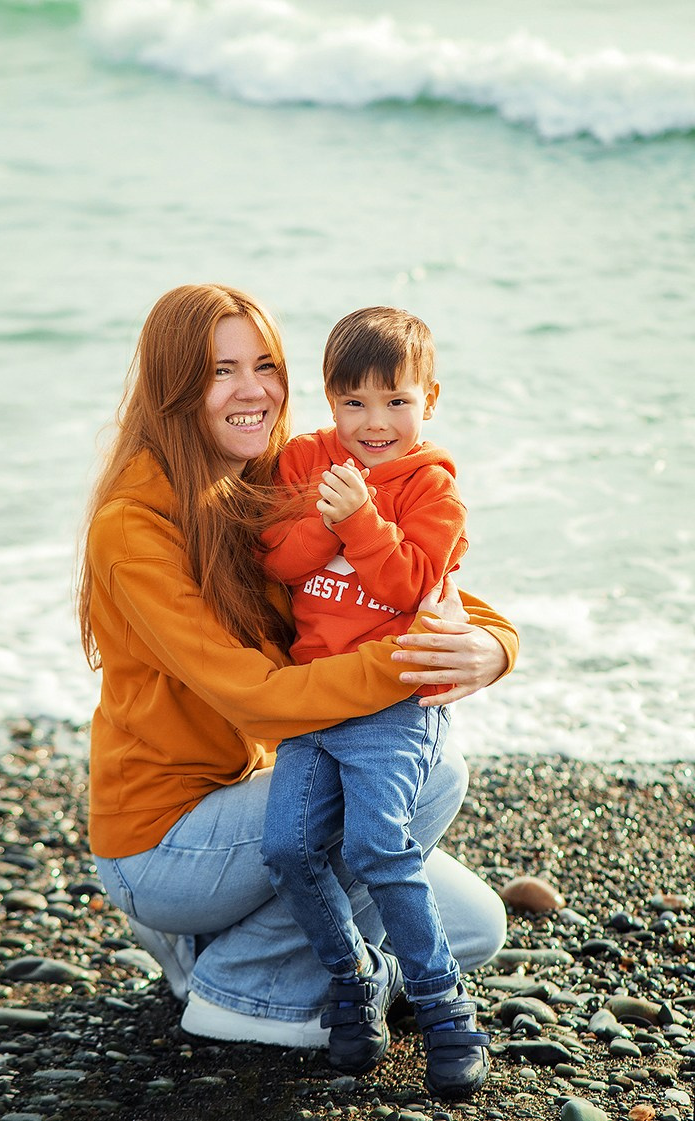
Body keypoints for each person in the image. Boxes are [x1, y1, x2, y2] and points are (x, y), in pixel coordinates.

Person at [77, 283, 519, 1060]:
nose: (252, 390)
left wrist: (492, 643)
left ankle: (217, 948)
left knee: (478, 926)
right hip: (166, 841)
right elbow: (260, 698)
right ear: (174, 386)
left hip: (253, 794)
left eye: (265, 365)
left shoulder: (264, 478)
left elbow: (412, 581)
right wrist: (409, 660)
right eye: (221, 371)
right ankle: (240, 988)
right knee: (433, 770)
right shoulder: (134, 526)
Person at [260, 306, 489, 1097]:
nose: (375, 422)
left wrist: (358, 518)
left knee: (377, 847)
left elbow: (409, 584)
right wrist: (331, 525)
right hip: (313, 701)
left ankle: (447, 1008)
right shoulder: (306, 459)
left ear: (430, 398)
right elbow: (279, 558)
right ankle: (355, 976)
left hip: (392, 704)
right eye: (354, 402)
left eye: (396, 400)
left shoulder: (433, 487)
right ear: (330, 400)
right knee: (286, 848)